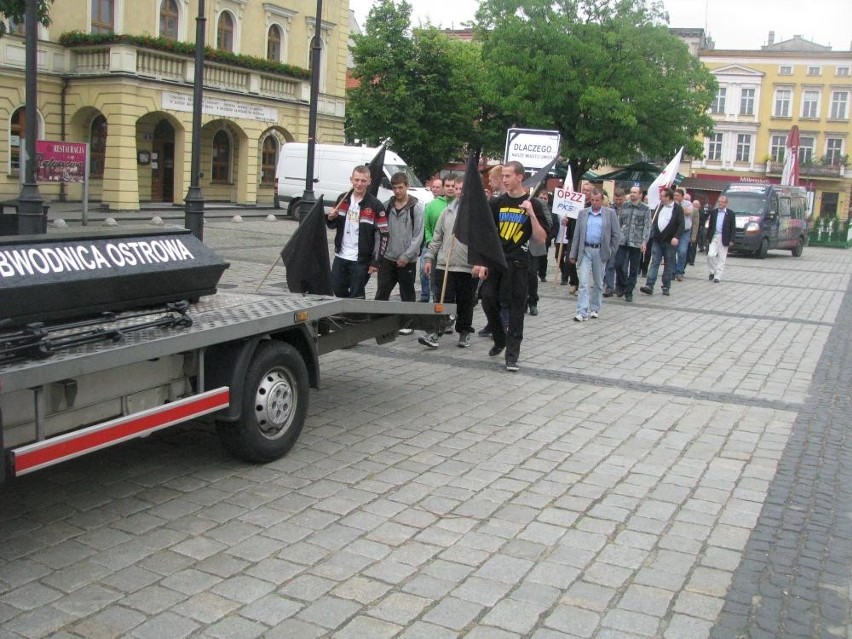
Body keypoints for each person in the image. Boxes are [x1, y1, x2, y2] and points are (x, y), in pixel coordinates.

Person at [473, 161, 547, 372]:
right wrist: (480, 262)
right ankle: (499, 338)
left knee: (516, 308)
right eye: (503, 176)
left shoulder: (534, 204)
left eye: (508, 176)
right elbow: (486, 235)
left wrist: (531, 214)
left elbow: (540, 239)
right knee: (487, 299)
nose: (504, 180)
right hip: (497, 261)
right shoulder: (497, 203)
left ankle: (512, 354)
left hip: (519, 263)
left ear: (520, 177)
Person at [418, 176, 476, 349]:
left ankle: (464, 332)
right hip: (446, 264)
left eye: (462, 189)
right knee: (443, 301)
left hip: (467, 267)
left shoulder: (476, 214)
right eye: (457, 189)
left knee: (466, 302)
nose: (459, 192)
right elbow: (436, 238)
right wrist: (429, 257)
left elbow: (482, 241)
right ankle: (436, 333)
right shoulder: (446, 212)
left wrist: (479, 263)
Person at [326, 165, 388, 298]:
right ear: (351, 180)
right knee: (337, 287)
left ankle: (357, 317)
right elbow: (333, 225)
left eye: (363, 181)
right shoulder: (343, 199)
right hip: (341, 254)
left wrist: (376, 262)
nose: (359, 184)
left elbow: (383, 235)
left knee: (356, 294)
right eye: (356, 180)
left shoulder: (375, 205)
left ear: (369, 182)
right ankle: (347, 313)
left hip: (361, 259)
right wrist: (331, 218)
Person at [375, 172, 424, 317]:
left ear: (407, 186)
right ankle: (377, 319)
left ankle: (408, 321)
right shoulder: (386, 206)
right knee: (382, 291)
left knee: (407, 292)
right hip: (388, 257)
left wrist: (407, 256)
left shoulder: (416, 208)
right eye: (395, 188)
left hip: (407, 260)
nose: (397, 191)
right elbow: (380, 232)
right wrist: (380, 253)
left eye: (400, 187)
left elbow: (418, 235)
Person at [569, 188, 621, 321]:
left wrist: (610, 251)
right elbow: (577, 234)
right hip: (584, 250)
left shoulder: (610, 213)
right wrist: (573, 253)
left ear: (602, 200)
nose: (595, 203)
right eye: (592, 200)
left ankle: (595, 308)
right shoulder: (583, 213)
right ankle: (581, 311)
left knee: (598, 282)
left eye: (597, 200)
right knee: (584, 282)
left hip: (600, 251)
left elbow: (616, 234)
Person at [419, 175, 457, 303]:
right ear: (443, 187)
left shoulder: (460, 205)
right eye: (448, 186)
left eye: (453, 186)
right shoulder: (432, 205)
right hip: (435, 248)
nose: (450, 189)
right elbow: (427, 226)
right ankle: (434, 300)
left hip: (453, 250)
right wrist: (430, 241)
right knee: (434, 280)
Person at [640, 187, 684, 297]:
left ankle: (666, 286)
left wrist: (676, 237)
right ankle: (649, 285)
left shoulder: (677, 209)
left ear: (668, 197)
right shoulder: (658, 207)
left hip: (670, 241)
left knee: (668, 264)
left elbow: (681, 225)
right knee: (654, 262)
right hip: (657, 240)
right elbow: (654, 221)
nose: (660, 197)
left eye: (663, 196)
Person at [614, 185, 651, 303]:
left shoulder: (645, 209)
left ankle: (629, 292)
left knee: (634, 269)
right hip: (623, 240)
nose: (633, 194)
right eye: (631, 192)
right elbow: (619, 222)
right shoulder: (624, 206)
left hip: (636, 242)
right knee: (618, 264)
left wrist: (644, 242)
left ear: (640, 195)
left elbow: (647, 226)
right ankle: (623, 284)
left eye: (635, 192)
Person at [527, 188, 553, 316]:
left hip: (533, 243)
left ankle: (532, 302)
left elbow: (549, 222)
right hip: (518, 245)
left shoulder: (538, 204)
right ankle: (521, 301)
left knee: (532, 273)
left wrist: (534, 221)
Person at [707, 195, 736, 283]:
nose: (720, 203)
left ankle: (718, 276)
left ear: (726, 203)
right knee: (710, 255)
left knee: (721, 258)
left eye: (722, 202)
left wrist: (731, 240)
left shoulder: (730, 214)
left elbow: (733, 228)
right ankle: (712, 271)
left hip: (724, 237)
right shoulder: (714, 212)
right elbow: (710, 226)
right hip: (714, 236)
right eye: (719, 201)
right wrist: (708, 237)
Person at [603, 188, 625, 296]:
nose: (618, 201)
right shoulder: (610, 209)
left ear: (623, 198)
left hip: (624, 242)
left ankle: (620, 285)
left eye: (620, 199)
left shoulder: (627, 209)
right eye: (616, 199)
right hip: (612, 240)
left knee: (620, 265)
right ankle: (609, 287)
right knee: (610, 264)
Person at [673, 188, 694, 281]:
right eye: (674, 195)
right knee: (672, 252)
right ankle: (672, 271)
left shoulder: (688, 204)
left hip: (685, 231)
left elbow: (688, 212)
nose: (675, 197)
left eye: (677, 195)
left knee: (682, 251)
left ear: (682, 196)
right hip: (674, 231)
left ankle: (680, 271)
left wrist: (679, 206)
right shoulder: (671, 204)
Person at [688, 198, 702, 265]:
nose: (695, 206)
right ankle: (688, 258)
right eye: (694, 204)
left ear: (699, 205)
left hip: (697, 231)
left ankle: (691, 260)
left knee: (693, 246)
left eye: (696, 205)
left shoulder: (701, 212)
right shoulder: (690, 210)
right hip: (689, 229)